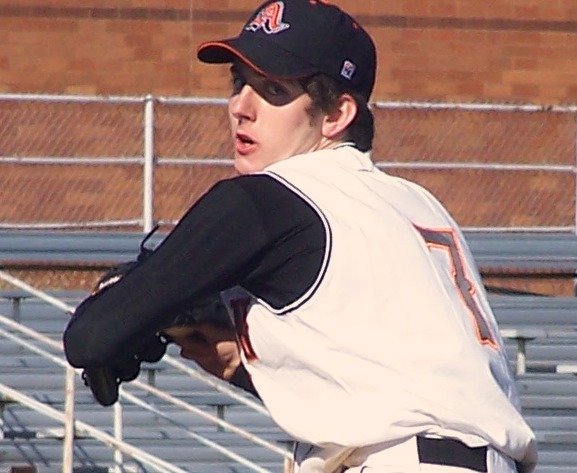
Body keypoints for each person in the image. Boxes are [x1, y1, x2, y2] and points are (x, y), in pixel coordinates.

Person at [63, 0, 538, 472]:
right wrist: (241, 359)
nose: (240, 108)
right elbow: (389, 378)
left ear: (336, 115)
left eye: (273, 90)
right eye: (238, 83)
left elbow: (91, 337)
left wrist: (127, 303)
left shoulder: (267, 197)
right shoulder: (415, 203)